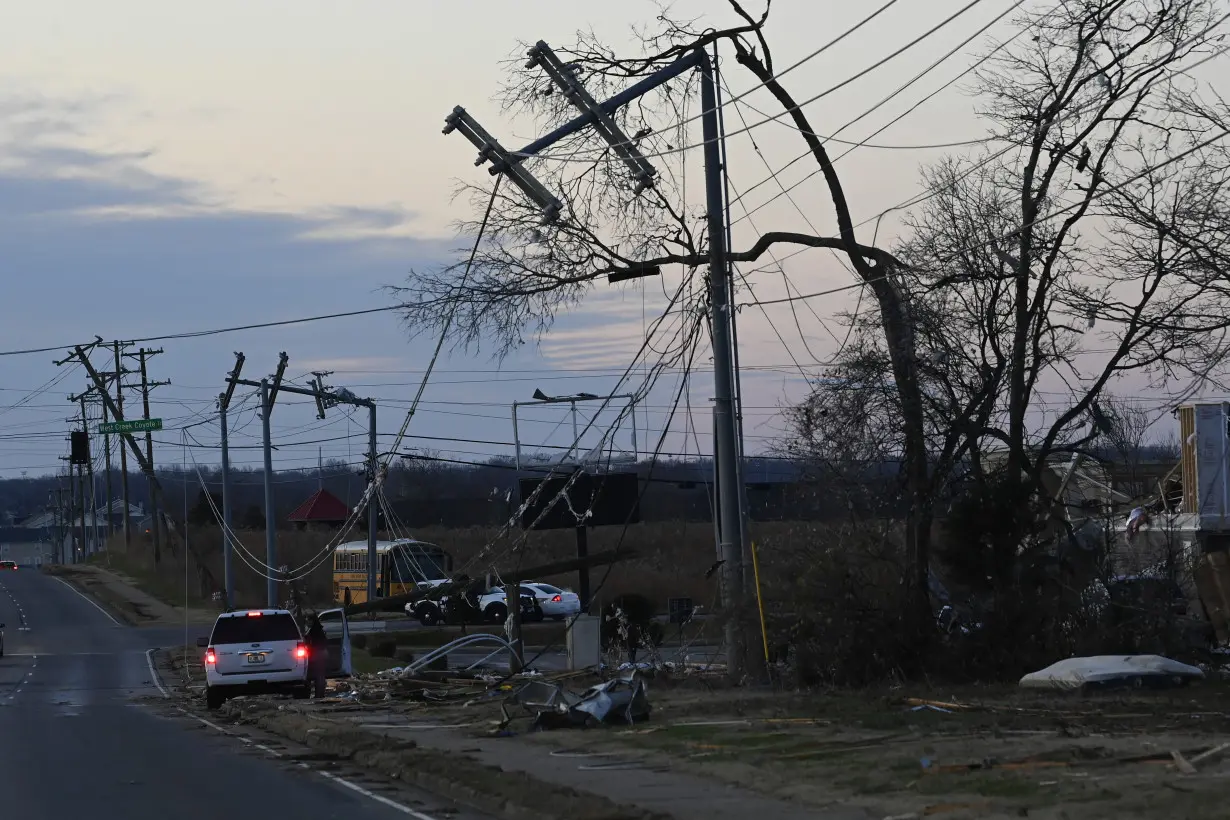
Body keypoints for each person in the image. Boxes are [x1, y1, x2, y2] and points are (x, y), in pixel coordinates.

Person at [305, 614, 329, 698]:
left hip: (318, 654)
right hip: (320, 654)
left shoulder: (315, 631)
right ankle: (319, 694)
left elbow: (313, 644)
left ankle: (319, 695)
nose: (307, 622)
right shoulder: (316, 629)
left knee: (318, 676)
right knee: (319, 676)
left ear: (313, 621)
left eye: (308, 620)